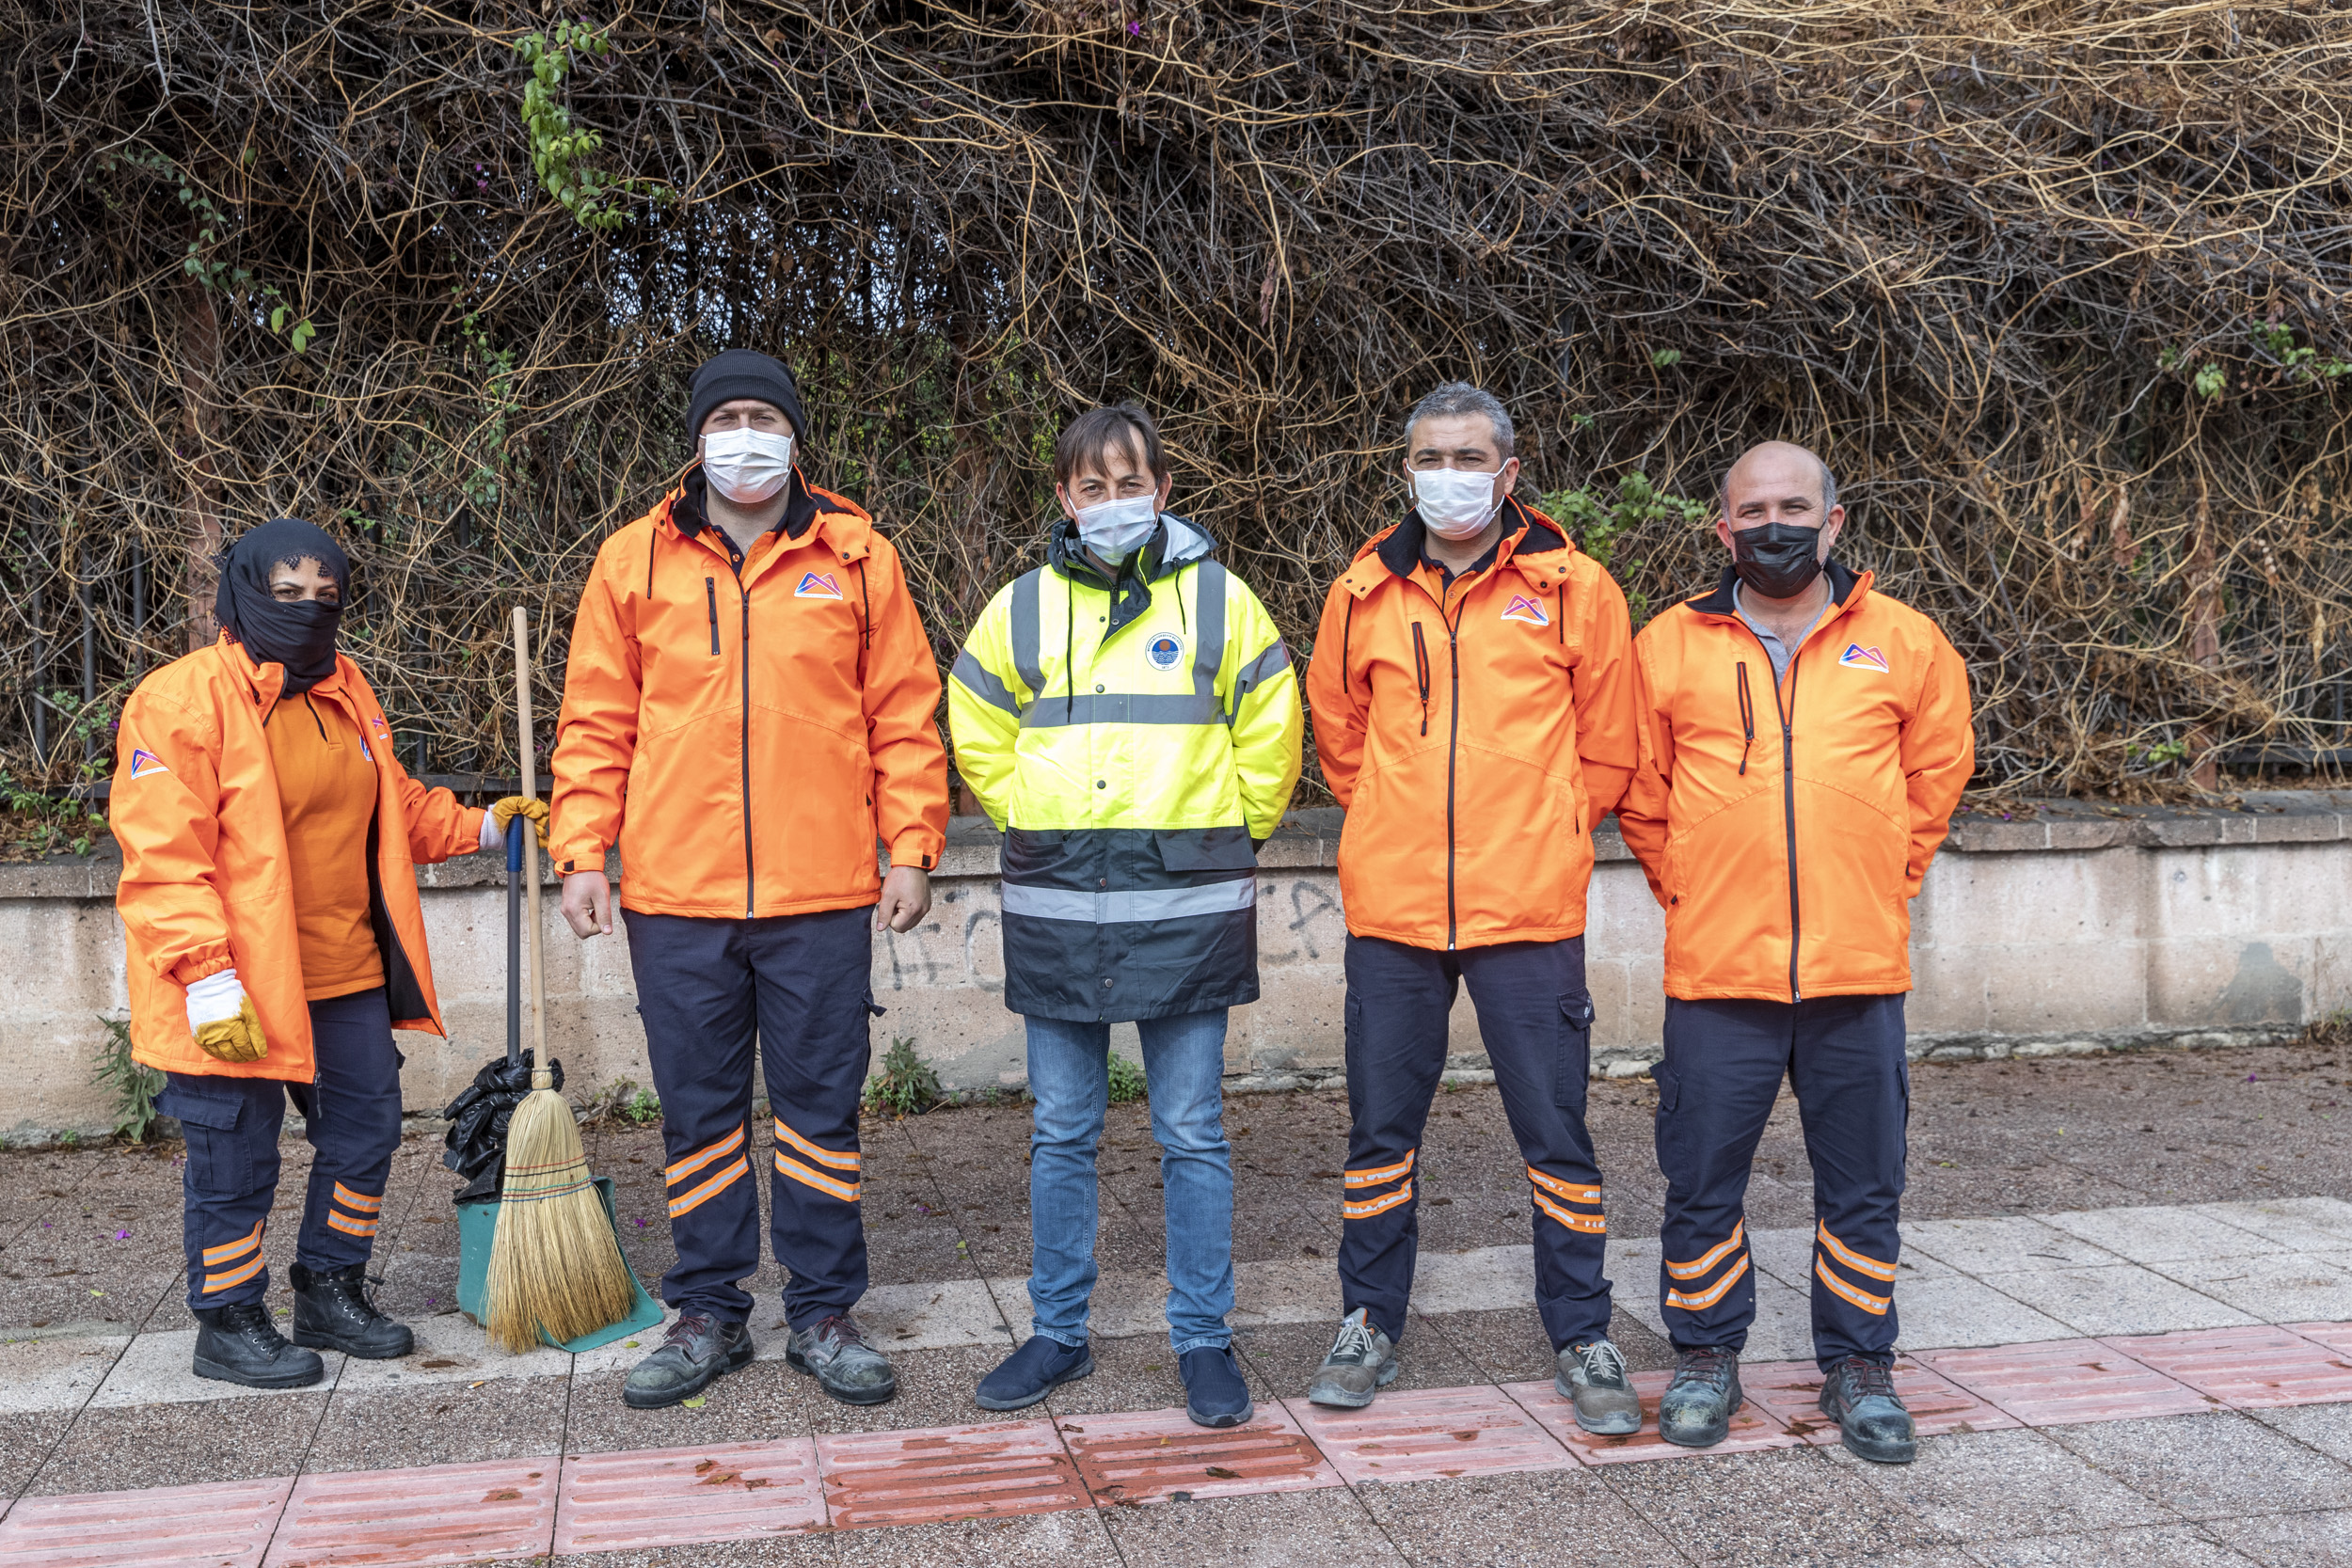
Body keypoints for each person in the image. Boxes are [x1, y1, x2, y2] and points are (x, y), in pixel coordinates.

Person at [549, 349, 949, 1409]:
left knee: (821, 1110)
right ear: (696, 437)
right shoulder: (632, 560)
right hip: (676, 895)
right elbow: (595, 720)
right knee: (700, 1115)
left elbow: (903, 713)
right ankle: (709, 1312)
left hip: (821, 891)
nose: (743, 438)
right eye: (724, 418)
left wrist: (912, 845)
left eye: (762, 419)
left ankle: (823, 1312)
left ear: (794, 434)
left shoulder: (858, 557)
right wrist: (581, 850)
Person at [113, 518, 543, 1388]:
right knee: (236, 1158)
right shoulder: (181, 700)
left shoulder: (346, 688)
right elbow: (164, 855)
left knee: (365, 1131)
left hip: (343, 971)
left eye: (326, 595)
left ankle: (331, 1287)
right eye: (287, 593)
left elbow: (392, 807)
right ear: (243, 592)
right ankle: (229, 1320)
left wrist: (483, 825)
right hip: (233, 981)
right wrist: (204, 974)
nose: (308, 610)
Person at [1616, 440, 1974, 1464]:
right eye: (1753, 510)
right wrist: (1689, 887)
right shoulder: (1666, 645)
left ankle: (1859, 1363)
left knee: (1864, 1182)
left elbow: (1937, 773)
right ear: (1722, 527)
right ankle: (1703, 1355)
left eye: (1794, 507)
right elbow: (1640, 788)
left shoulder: (1904, 641)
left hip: (1856, 971)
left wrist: (1885, 878)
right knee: (1702, 1177)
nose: (1774, 525)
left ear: (1833, 521)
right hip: (1718, 969)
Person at [947, 404, 1301, 1428]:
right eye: (1092, 486)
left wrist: (1227, 832)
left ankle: (1203, 1337)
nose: (1112, 501)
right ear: (1065, 498)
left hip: (1186, 903)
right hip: (1062, 898)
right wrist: (1032, 818)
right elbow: (975, 724)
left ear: (1163, 490)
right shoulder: (1020, 608)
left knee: (1191, 1130)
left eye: (1130, 483)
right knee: (1061, 1128)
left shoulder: (1220, 599)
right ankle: (1058, 1331)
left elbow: (1272, 731)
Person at [1298, 383, 1644, 1433]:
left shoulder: (1575, 587)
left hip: (1527, 911)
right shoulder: (1362, 589)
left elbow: (1610, 742)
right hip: (1394, 912)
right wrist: (1394, 816)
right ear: (1405, 469)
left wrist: (1549, 826)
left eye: (1467, 457)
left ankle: (1581, 1330)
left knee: (1556, 1131)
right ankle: (1367, 1318)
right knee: (1380, 1132)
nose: (1447, 475)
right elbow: (1338, 731)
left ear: (1508, 471)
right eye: (1428, 457)